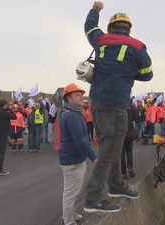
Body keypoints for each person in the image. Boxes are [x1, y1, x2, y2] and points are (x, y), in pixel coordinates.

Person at [84, 1, 152, 213]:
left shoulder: (101, 39)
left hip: (96, 101)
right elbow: (148, 74)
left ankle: (115, 185)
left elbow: (89, 27)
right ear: (129, 29)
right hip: (117, 103)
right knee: (109, 152)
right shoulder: (138, 46)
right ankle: (93, 199)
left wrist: (96, 9)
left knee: (109, 147)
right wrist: (129, 72)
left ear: (110, 28)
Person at [58, 83, 98, 225]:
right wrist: (93, 157)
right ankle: (68, 221)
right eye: (77, 95)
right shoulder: (72, 116)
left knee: (74, 191)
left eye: (81, 94)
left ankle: (70, 214)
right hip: (72, 161)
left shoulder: (74, 113)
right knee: (70, 193)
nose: (82, 96)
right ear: (69, 99)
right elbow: (80, 140)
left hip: (75, 160)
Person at [0, 99, 17, 176]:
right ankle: (0, 169)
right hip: (2, 134)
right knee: (1, 152)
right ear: (5, 105)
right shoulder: (4, 113)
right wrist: (10, 110)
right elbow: (14, 117)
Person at [121, 100, 136, 178]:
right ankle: (130, 167)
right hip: (129, 131)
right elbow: (134, 118)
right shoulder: (132, 106)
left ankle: (123, 172)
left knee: (121, 153)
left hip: (121, 132)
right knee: (129, 150)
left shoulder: (119, 105)